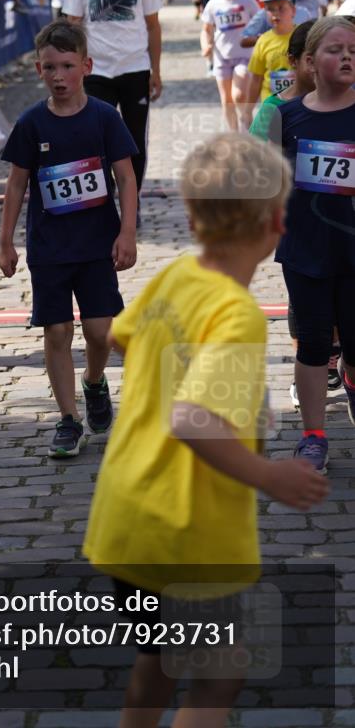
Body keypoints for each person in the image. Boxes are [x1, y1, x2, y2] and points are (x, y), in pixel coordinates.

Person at [83, 133, 328, 728]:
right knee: (219, 675)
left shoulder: (176, 276)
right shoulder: (237, 313)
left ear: (192, 215)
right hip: (187, 531)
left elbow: (115, 336)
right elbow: (192, 420)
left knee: (160, 663)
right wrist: (269, 474)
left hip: (125, 517)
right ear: (277, 222)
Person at [0, 19, 138, 458]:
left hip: (97, 244)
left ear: (86, 66)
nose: (58, 77)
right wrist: (5, 241)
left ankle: (94, 382)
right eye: (49, 68)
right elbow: (17, 184)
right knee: (57, 331)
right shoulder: (31, 123)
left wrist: (127, 231)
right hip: (49, 248)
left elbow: (125, 178)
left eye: (67, 66)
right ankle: (67, 419)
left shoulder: (103, 117)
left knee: (100, 332)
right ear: (39, 70)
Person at [276, 17, 355, 472]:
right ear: (309, 61)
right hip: (305, 250)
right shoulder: (286, 117)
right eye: (334, 49)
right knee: (313, 343)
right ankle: (313, 436)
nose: (346, 57)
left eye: (353, 50)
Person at [63, 0, 162, 200]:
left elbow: (153, 26)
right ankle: (102, 200)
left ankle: (132, 199)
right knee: (96, 139)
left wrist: (156, 71)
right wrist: (73, 69)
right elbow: (72, 25)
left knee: (134, 141)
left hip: (135, 68)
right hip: (96, 72)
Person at [201, 0, 259, 130]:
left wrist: (257, 38)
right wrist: (206, 45)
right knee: (226, 100)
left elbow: (260, 23)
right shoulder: (213, 4)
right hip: (221, 57)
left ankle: (246, 121)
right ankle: (234, 135)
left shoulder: (248, 2)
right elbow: (206, 29)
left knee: (239, 95)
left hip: (245, 55)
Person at [246, 0, 297, 121]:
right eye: (270, 9)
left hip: (298, 106)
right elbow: (256, 78)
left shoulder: (303, 37)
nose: (275, 13)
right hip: (270, 108)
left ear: (293, 10)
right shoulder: (263, 41)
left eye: (281, 8)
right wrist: (248, 110)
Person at [240, 0, 311, 49]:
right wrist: (267, 39)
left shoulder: (304, 13)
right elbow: (244, 40)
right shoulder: (264, 14)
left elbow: (312, 39)